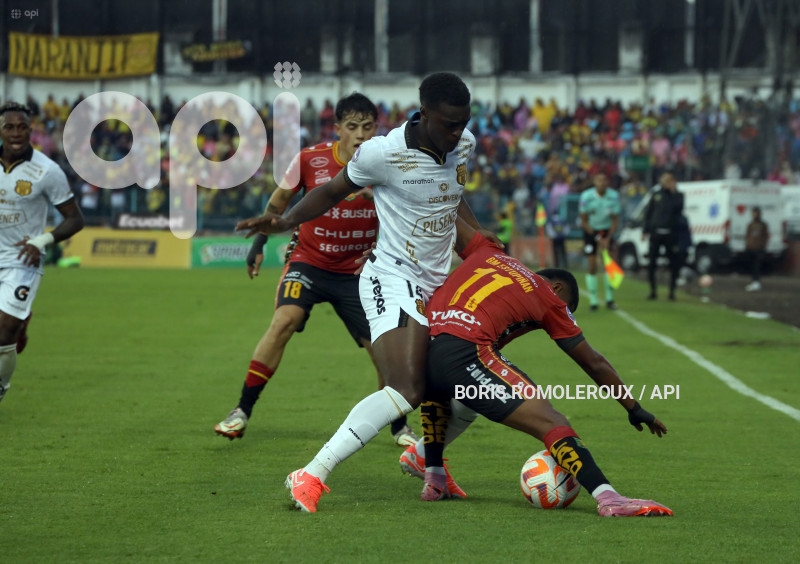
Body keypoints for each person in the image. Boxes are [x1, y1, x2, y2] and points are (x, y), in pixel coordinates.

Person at [236, 72, 499, 512]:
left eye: (464, 123)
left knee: (467, 385)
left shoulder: (464, 144)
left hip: (438, 283)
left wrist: (476, 237)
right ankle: (311, 473)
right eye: (450, 124)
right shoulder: (383, 153)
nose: (459, 132)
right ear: (425, 114)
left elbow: (452, 195)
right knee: (406, 387)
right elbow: (329, 191)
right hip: (391, 277)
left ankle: (428, 464)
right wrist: (284, 223)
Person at [398, 220, 672, 517]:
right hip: (462, 351)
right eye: (566, 309)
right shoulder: (548, 296)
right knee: (551, 421)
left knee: (456, 394)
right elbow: (593, 361)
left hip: (417, 346)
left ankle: (433, 475)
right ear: (557, 288)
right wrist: (633, 407)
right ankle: (609, 498)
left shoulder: (489, 252)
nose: (561, 316)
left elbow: (448, 213)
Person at [214, 93, 418, 447]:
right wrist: (258, 245)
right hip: (309, 262)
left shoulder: (389, 163)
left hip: (357, 273)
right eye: (352, 126)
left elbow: (409, 211)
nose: (360, 134)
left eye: (367, 126)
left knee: (383, 350)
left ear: (377, 128)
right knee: (283, 322)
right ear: (337, 129)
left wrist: (379, 202)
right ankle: (241, 411)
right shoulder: (310, 159)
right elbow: (278, 203)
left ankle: (399, 426)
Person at [0, 102, 84, 404]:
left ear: (31, 130)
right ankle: (21, 325)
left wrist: (41, 241)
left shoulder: (47, 170)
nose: (16, 133)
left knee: (4, 330)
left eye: (22, 126)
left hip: (23, 258)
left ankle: (1, 386)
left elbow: (75, 219)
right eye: (9, 127)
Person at [579, 172, 620, 311]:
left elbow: (615, 220)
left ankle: (609, 299)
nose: (601, 183)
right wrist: (597, 237)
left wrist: (607, 238)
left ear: (607, 183)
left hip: (606, 231)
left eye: (604, 180)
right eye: (599, 180)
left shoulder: (613, 196)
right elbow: (584, 221)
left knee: (607, 264)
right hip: (591, 231)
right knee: (592, 265)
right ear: (594, 182)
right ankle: (593, 301)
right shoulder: (586, 196)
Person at [642, 172, 684, 301]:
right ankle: (653, 291)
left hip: (671, 234)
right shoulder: (656, 195)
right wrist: (645, 230)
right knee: (652, 263)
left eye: (670, 181)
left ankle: (672, 292)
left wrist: (674, 192)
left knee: (673, 263)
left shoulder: (678, 196)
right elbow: (648, 213)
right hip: (656, 233)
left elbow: (679, 209)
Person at [743, 206, 769, 292]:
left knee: (757, 266)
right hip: (751, 248)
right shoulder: (750, 225)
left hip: (759, 249)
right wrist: (747, 245)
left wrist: (763, 245)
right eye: (753, 213)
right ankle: (754, 281)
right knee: (752, 266)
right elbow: (747, 236)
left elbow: (765, 236)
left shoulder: (763, 225)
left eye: (756, 213)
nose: (754, 215)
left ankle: (756, 282)